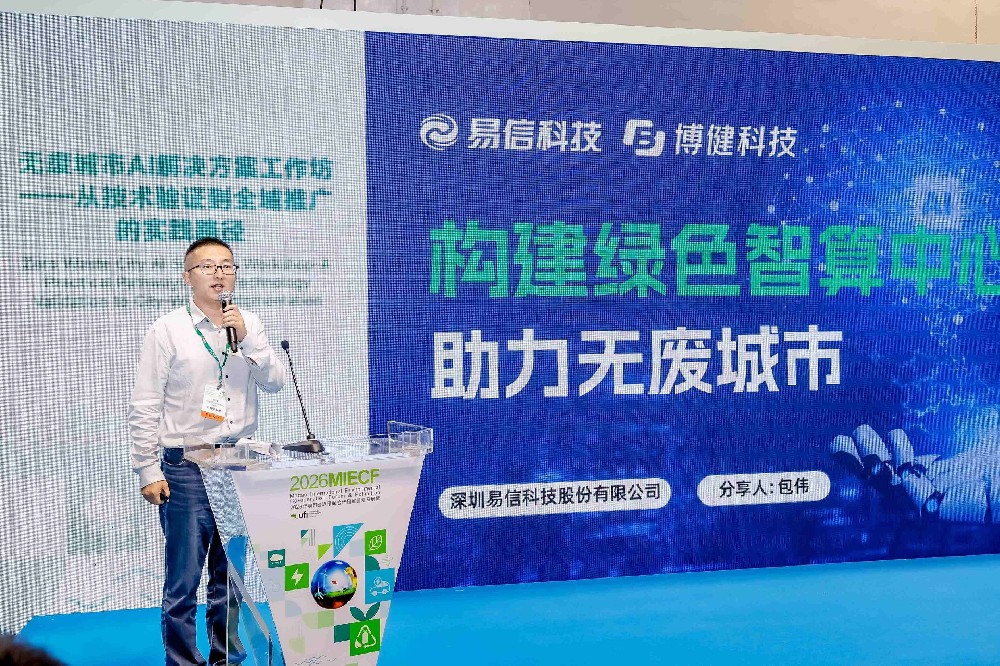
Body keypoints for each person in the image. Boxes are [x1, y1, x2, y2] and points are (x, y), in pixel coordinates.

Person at [129, 238, 285, 666]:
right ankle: (183, 661)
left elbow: (274, 382)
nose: (219, 274)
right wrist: (147, 469)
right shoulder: (167, 330)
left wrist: (248, 340)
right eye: (208, 266)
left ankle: (226, 659)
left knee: (231, 576)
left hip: (238, 462)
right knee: (183, 580)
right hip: (186, 466)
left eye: (227, 265)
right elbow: (145, 403)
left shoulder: (248, 324)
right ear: (188, 277)